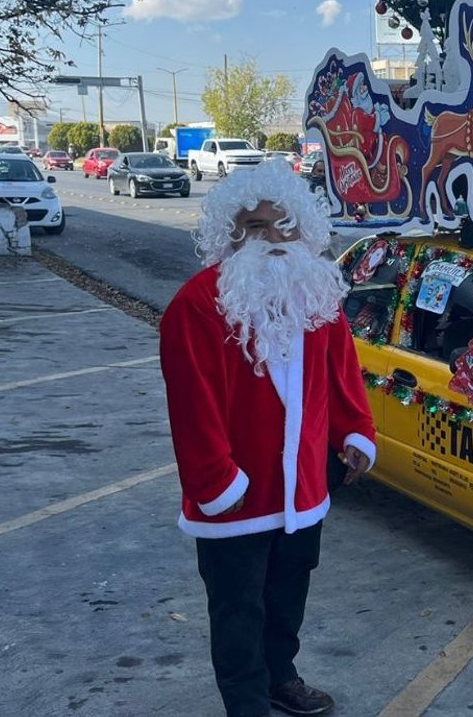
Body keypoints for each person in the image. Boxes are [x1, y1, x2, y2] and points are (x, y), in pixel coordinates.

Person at [159, 159, 376, 717]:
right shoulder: (197, 305)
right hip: (237, 496)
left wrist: (356, 431)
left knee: (287, 594)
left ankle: (281, 676)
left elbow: (342, 373)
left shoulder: (316, 293)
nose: (275, 240)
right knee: (237, 609)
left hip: (302, 487)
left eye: (286, 226)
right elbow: (192, 407)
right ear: (231, 236)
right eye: (257, 227)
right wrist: (217, 484)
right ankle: (247, 703)